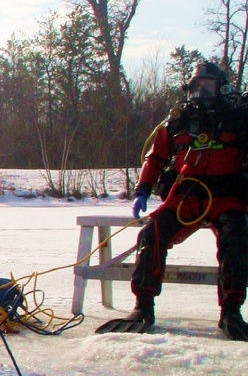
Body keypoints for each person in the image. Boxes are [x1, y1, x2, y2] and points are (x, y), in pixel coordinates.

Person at [96, 60, 248, 340]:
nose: (201, 94)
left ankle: (231, 310)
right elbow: (155, 157)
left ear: (221, 88)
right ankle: (143, 306)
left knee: (236, 235)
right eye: (195, 88)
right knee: (151, 233)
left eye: (207, 87)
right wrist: (142, 189)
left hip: (226, 196)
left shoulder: (238, 118)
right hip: (186, 196)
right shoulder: (178, 120)